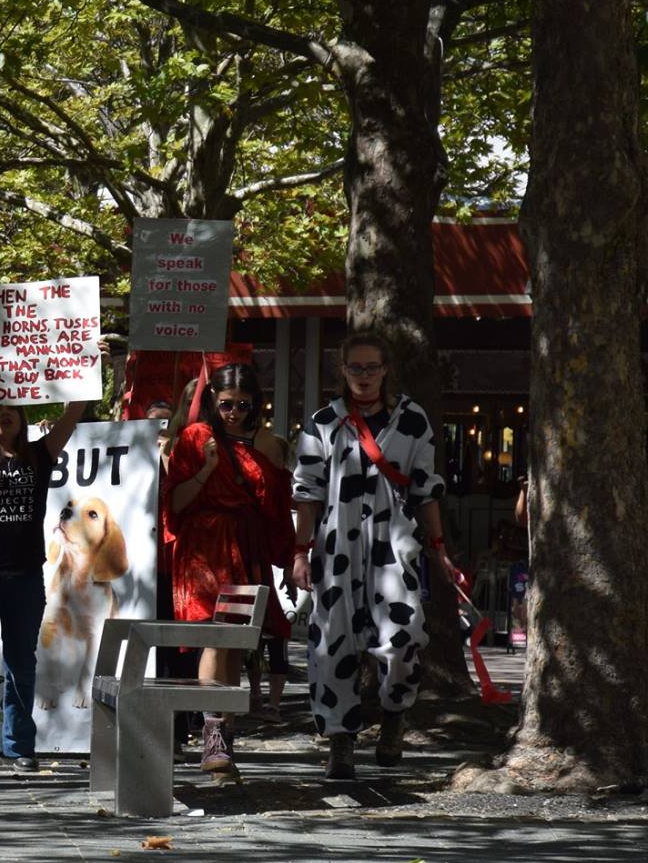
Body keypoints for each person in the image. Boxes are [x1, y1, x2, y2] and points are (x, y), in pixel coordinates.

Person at [290, 331, 451, 779]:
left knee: (402, 639)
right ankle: (340, 742)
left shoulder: (412, 420)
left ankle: (394, 719)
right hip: (336, 545)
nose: (364, 376)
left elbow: (426, 488)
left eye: (372, 367)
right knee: (331, 646)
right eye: (355, 368)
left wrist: (438, 548)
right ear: (343, 371)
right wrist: (300, 551)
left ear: (385, 370)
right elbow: (307, 492)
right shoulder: (325, 421)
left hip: (393, 544)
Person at [163, 364, 294, 774]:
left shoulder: (269, 443)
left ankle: (226, 738)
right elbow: (176, 504)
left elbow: (276, 508)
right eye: (225, 404)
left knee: (237, 643)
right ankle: (212, 731)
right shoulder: (194, 437)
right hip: (204, 545)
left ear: (256, 404)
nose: (233, 413)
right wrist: (205, 469)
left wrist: (289, 557)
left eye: (242, 405)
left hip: (247, 544)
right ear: (211, 401)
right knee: (213, 636)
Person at [0, 383, 92, 779]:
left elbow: (73, 413)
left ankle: (19, 748)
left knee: (21, 662)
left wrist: (88, 369)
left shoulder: (40, 453)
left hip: (23, 576)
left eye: (12, 408)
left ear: (23, 416)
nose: (4, 414)